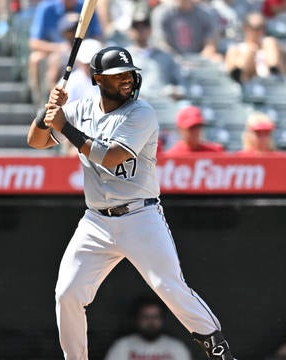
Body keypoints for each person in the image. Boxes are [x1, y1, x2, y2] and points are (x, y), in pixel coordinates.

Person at [27, 46, 236, 359]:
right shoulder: (82, 108)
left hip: (141, 216)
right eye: (117, 75)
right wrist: (48, 111)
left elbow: (111, 157)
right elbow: (36, 140)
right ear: (98, 79)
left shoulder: (141, 113)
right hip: (96, 221)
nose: (126, 79)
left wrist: (64, 127)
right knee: (67, 293)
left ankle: (219, 351)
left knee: (169, 287)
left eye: (128, 73)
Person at [28, 0, 102, 106]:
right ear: (64, 32)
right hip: (54, 52)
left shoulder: (86, 5)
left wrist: (82, 48)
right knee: (38, 58)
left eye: (75, 28)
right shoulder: (46, 8)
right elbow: (34, 43)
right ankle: (40, 102)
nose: (73, 31)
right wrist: (59, 48)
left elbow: (97, 36)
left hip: (84, 51)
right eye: (70, 29)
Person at [104, 296, 191, 360]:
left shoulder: (176, 347)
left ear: (162, 319)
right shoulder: (122, 346)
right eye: (145, 317)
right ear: (137, 319)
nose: (151, 322)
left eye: (155, 317)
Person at [127, 14, 186, 101]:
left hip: (164, 103)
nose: (141, 30)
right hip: (135, 105)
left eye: (144, 27)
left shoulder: (165, 55)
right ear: (130, 32)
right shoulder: (123, 57)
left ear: (150, 30)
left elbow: (181, 84)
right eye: (136, 27)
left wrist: (176, 91)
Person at [150, 0, 223, 62]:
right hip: (172, 60)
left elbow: (211, 42)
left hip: (199, 59)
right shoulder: (161, 13)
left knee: (218, 59)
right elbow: (161, 44)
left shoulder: (205, 13)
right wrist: (177, 59)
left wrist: (202, 57)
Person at [225, 12, 286, 84]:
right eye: (256, 28)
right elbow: (230, 73)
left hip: (271, 84)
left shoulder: (270, 46)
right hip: (246, 82)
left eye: (263, 28)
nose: (260, 31)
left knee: (270, 42)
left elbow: (285, 69)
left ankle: (274, 74)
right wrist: (250, 54)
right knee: (248, 54)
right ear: (246, 28)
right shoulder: (236, 49)